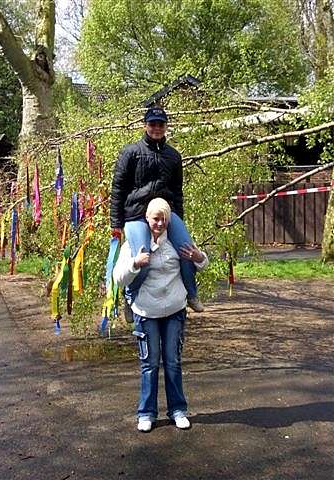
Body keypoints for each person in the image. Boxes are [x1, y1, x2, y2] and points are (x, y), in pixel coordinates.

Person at [113, 198, 208, 432]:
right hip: (147, 312)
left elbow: (203, 261)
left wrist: (199, 258)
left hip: (174, 310)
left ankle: (178, 410)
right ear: (147, 218)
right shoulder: (134, 245)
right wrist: (135, 263)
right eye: (156, 218)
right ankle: (146, 413)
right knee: (150, 364)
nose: (160, 223)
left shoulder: (176, 243)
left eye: (164, 218)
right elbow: (118, 277)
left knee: (173, 362)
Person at [110, 106, 204, 315]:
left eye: (161, 124)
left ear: (166, 127)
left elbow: (177, 191)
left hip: (166, 214)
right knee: (142, 259)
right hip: (136, 214)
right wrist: (116, 223)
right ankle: (130, 296)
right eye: (152, 124)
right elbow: (118, 188)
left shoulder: (173, 156)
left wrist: (178, 219)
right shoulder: (131, 152)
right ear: (145, 125)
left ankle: (191, 293)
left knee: (188, 250)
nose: (156, 128)